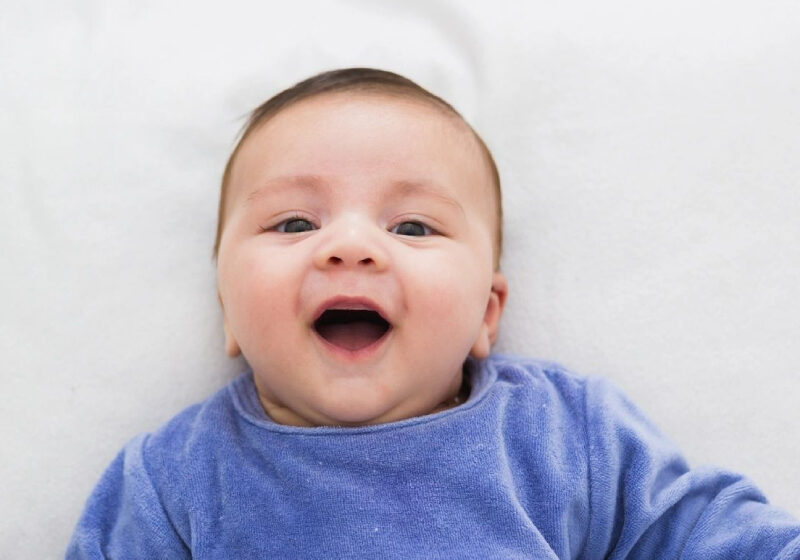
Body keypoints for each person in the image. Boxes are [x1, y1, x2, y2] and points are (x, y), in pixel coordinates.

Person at [66, 68, 800, 558]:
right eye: (293, 224)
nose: (350, 247)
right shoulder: (173, 479)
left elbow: (713, 534)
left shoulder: (563, 437)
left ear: (487, 314)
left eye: (412, 227)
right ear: (227, 313)